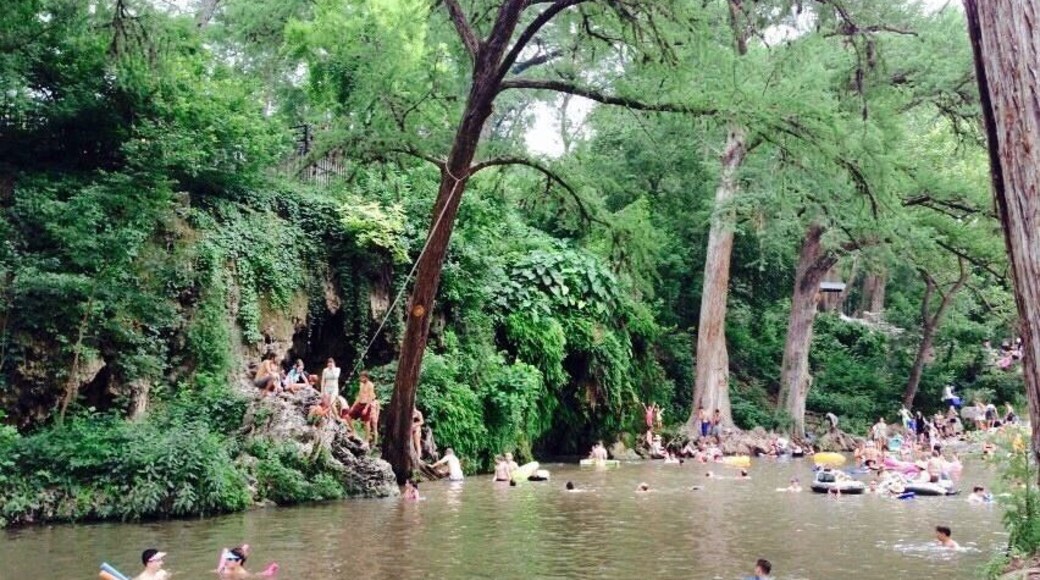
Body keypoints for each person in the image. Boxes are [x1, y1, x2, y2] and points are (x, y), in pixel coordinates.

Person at [345, 370, 378, 444]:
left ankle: (366, 440)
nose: (361, 379)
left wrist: (366, 408)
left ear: (366, 377)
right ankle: (353, 431)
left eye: (362, 377)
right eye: (360, 377)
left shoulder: (370, 385)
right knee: (348, 417)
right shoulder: (361, 384)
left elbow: (370, 397)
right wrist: (353, 406)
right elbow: (359, 396)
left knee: (367, 422)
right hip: (360, 403)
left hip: (367, 404)